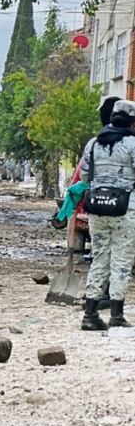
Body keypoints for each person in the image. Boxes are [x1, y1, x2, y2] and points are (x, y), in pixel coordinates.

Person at [78, 99, 135, 331]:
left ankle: (90, 314)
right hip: (125, 210)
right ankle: (116, 314)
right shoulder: (133, 144)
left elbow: (84, 175)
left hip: (97, 209)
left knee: (99, 257)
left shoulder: (93, 143)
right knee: (121, 259)